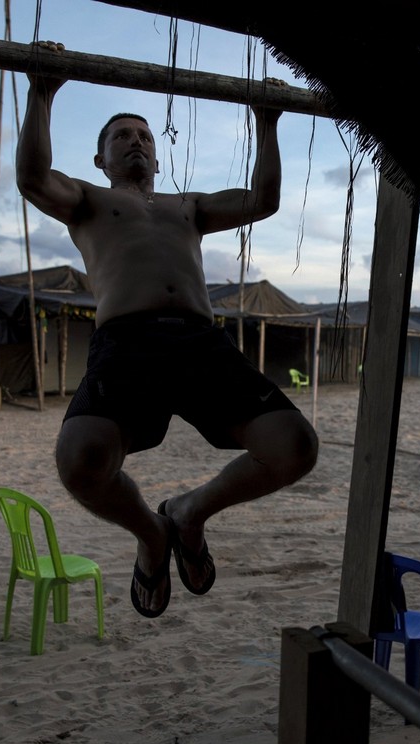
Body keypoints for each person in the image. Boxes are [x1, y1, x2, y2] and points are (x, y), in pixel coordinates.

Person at [16, 48, 318, 619]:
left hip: (200, 343)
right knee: (80, 461)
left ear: (156, 154)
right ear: (101, 157)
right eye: (123, 136)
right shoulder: (88, 200)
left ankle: (190, 511)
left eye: (145, 137)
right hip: (127, 344)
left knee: (295, 447)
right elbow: (32, 177)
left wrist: (268, 121)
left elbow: (264, 200)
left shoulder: (188, 206)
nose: (136, 142)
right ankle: (152, 535)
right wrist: (43, 91)